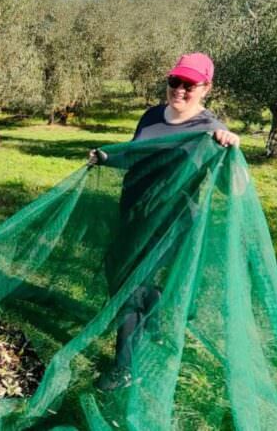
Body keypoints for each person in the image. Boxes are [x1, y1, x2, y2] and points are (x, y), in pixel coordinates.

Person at [92, 53, 239, 391]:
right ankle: (152, 314)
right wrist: (106, 157)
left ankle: (124, 368)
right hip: (133, 217)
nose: (180, 90)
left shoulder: (210, 130)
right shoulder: (151, 116)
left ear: (206, 88)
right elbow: (134, 157)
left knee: (130, 288)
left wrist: (232, 149)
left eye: (190, 85)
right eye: (175, 81)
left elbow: (234, 188)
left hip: (169, 226)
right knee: (123, 282)